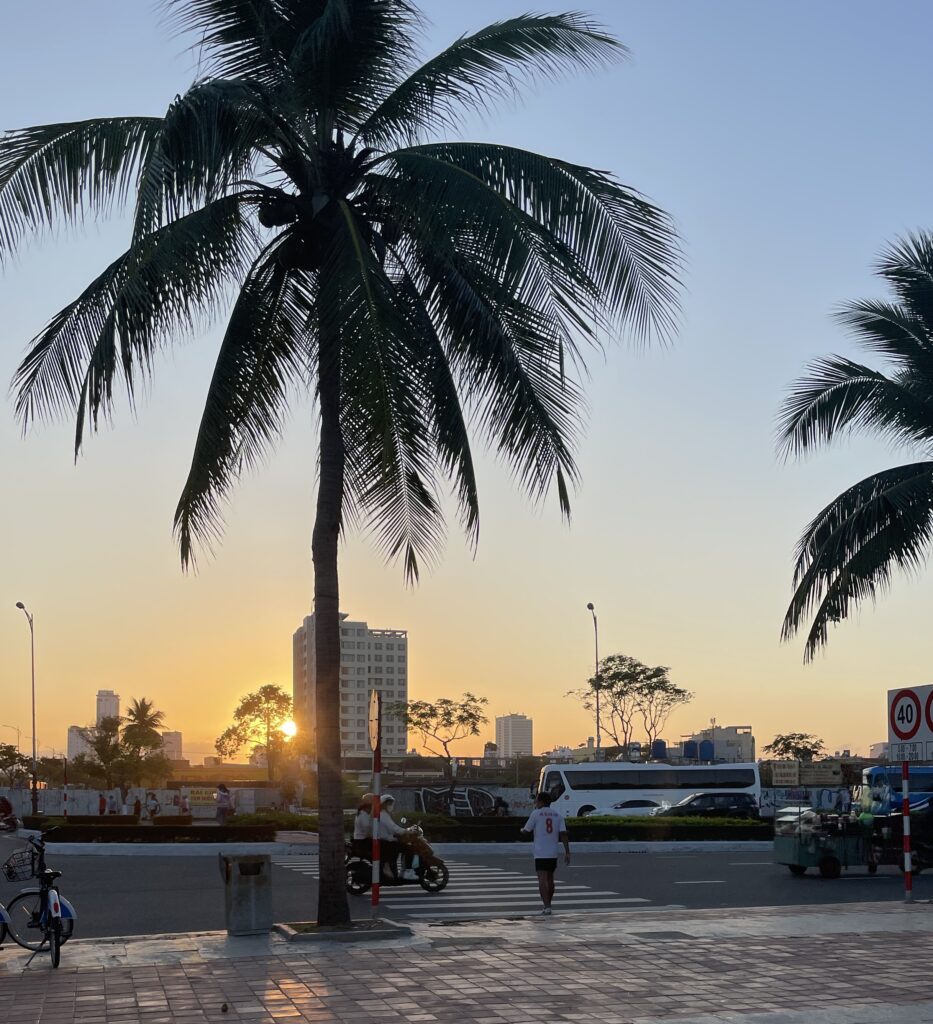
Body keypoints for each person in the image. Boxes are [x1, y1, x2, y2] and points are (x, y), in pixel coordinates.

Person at [521, 791, 570, 915]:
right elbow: (563, 834)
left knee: (542, 879)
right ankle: (549, 904)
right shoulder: (558, 815)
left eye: (536, 800)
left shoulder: (536, 814)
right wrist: (567, 852)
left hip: (540, 852)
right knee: (550, 879)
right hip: (552, 852)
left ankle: (546, 906)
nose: (535, 803)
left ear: (541, 802)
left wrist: (521, 830)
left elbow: (526, 831)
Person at [378, 795, 412, 881]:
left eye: (391, 803)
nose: (391, 805)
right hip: (386, 841)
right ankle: (407, 872)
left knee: (402, 848)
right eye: (389, 803)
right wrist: (406, 831)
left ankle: (401, 872)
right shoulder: (383, 814)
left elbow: (392, 827)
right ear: (384, 804)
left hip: (386, 840)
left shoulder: (384, 814)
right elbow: (393, 827)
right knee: (409, 849)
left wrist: (402, 831)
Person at [352, 794, 374, 858]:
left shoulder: (365, 814)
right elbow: (367, 831)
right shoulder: (363, 815)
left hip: (363, 840)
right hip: (362, 842)